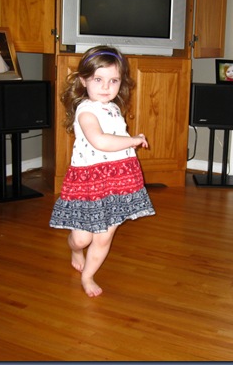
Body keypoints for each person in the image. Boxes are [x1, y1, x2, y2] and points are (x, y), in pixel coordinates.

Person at [49, 45, 155, 297]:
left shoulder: (114, 107)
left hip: (119, 179)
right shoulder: (86, 111)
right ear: (83, 80)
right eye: (98, 79)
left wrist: (128, 143)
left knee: (103, 237)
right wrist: (133, 140)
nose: (106, 87)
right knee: (82, 239)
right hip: (89, 181)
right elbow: (100, 141)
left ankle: (88, 276)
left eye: (113, 80)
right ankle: (75, 250)